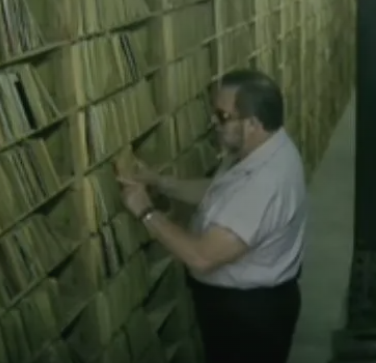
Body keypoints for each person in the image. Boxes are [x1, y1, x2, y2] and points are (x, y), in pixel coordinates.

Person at [118, 69, 307, 363]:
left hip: (249, 317)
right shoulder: (260, 152)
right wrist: (159, 182)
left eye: (223, 116)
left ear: (253, 124)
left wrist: (145, 212)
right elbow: (219, 193)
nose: (213, 123)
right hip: (245, 307)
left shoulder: (265, 182)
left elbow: (202, 257)